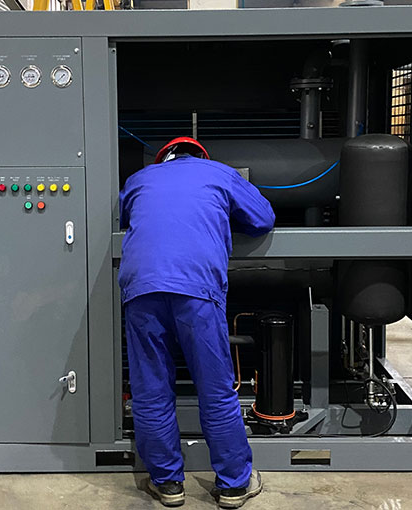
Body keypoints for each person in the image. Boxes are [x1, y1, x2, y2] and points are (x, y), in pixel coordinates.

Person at [119, 137, 275, 508]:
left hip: (141, 289)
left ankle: (167, 483)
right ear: (201, 157)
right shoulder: (219, 173)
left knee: (151, 390)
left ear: (163, 159)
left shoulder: (140, 178)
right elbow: (263, 219)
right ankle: (234, 484)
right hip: (196, 289)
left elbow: (127, 218)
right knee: (215, 389)